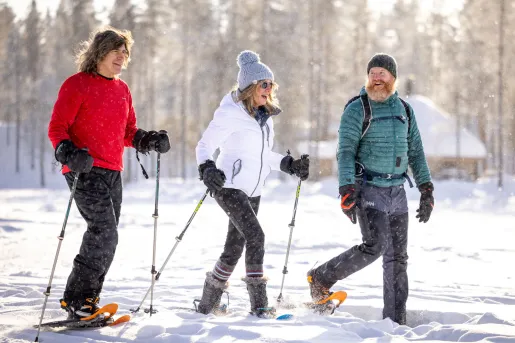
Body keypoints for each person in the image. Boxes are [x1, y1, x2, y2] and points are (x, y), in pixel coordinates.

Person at [47, 26, 170, 320]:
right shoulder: (77, 84)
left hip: (113, 170)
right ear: (100, 52)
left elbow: (128, 132)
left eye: (125, 51)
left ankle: (87, 299)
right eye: (117, 50)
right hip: (84, 169)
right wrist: (67, 152)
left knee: (109, 236)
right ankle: (76, 300)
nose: (122, 56)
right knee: (103, 230)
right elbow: (57, 128)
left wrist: (148, 139)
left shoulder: (122, 90)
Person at [307, 53, 434, 325]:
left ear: (393, 78)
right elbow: (345, 151)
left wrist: (426, 188)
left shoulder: (405, 110)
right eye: (373, 73)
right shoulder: (357, 108)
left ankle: (395, 319)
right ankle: (320, 278)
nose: (377, 78)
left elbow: (416, 152)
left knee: (398, 257)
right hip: (369, 188)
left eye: (382, 73)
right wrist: (346, 188)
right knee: (374, 246)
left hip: (397, 192)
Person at [194, 50, 309, 318]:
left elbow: (263, 156)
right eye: (264, 84)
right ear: (249, 87)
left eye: (271, 84)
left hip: (254, 190)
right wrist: (207, 168)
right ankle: (259, 305)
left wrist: (289, 164)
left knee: (234, 248)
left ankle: (207, 303)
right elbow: (204, 145)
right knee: (256, 237)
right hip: (229, 186)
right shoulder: (230, 113)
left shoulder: (265, 119)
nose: (269, 90)